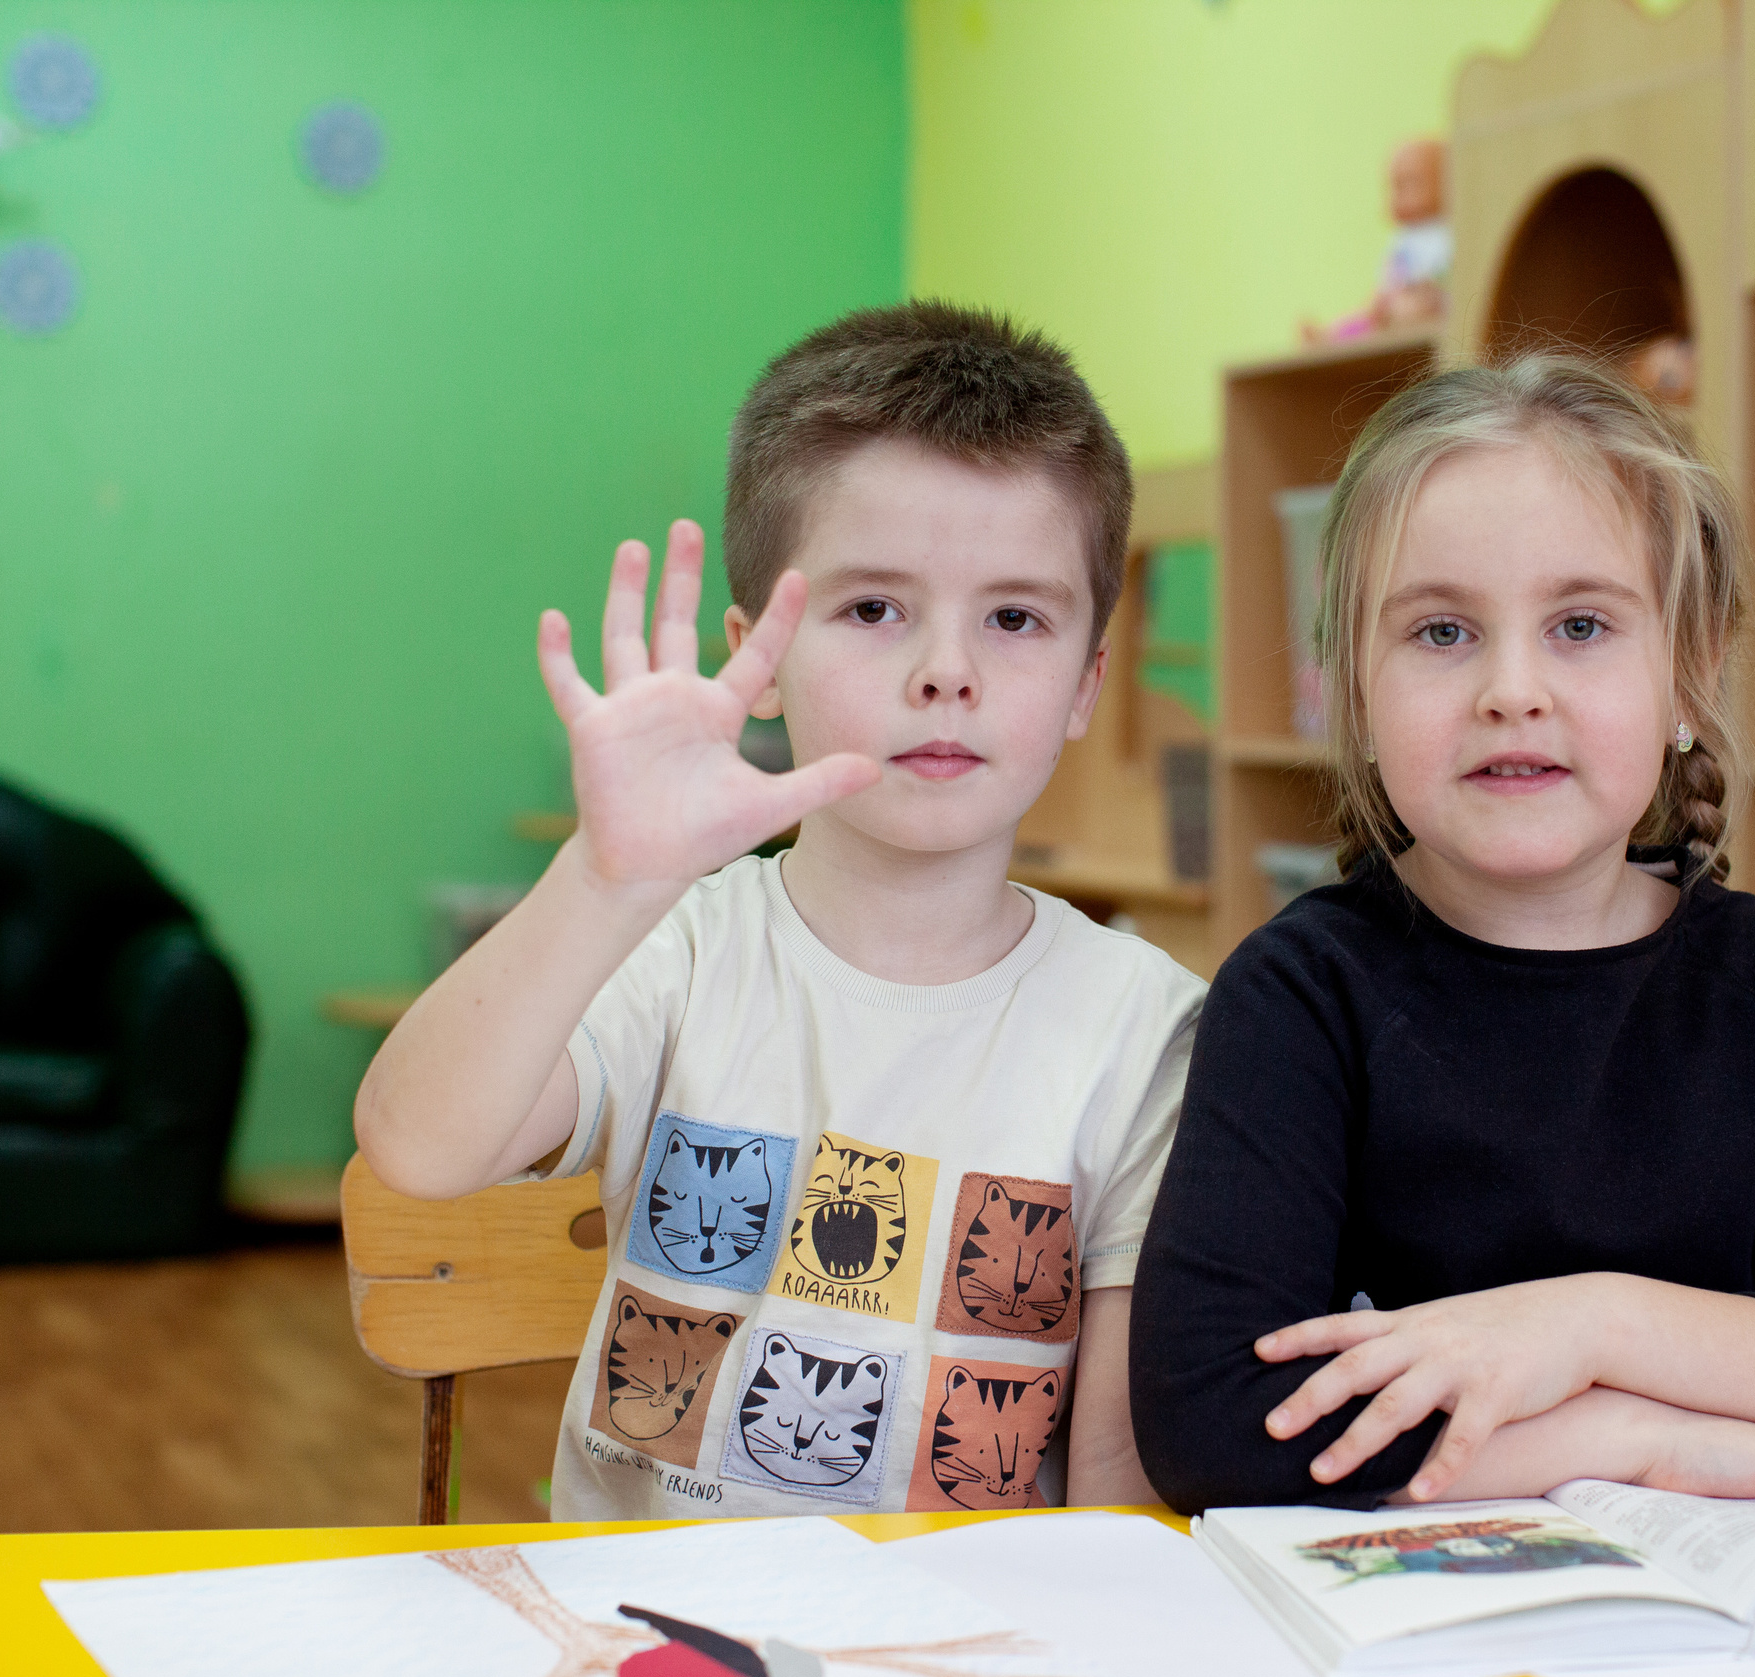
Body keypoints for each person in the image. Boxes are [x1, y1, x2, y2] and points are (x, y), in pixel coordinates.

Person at [355, 302, 1201, 1520]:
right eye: (874, 610)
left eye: (1015, 617)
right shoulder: (676, 948)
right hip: (636, 1648)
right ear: (756, 656)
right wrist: (603, 878)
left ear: (1086, 683)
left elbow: (1115, 1500)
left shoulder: (1150, 1032)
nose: (945, 671)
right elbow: (416, 1144)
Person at [1128, 351, 1755, 1515]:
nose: (1510, 689)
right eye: (1439, 634)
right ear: (1349, 693)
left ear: (1690, 678)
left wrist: (1584, 1324)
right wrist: (1628, 1439)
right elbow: (1213, 1422)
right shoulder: (1298, 992)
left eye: (1580, 625)